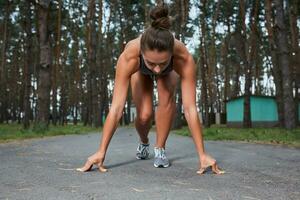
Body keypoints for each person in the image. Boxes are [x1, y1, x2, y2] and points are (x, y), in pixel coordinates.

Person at [77, 4, 224, 175]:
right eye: (151, 63)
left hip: (171, 72)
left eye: (162, 62)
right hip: (139, 71)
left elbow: (190, 108)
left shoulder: (183, 58)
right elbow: (116, 109)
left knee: (167, 97)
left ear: (171, 54)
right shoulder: (130, 55)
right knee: (145, 114)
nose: (156, 69)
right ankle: (144, 141)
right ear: (142, 53)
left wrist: (202, 154)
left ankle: (160, 148)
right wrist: (101, 151)